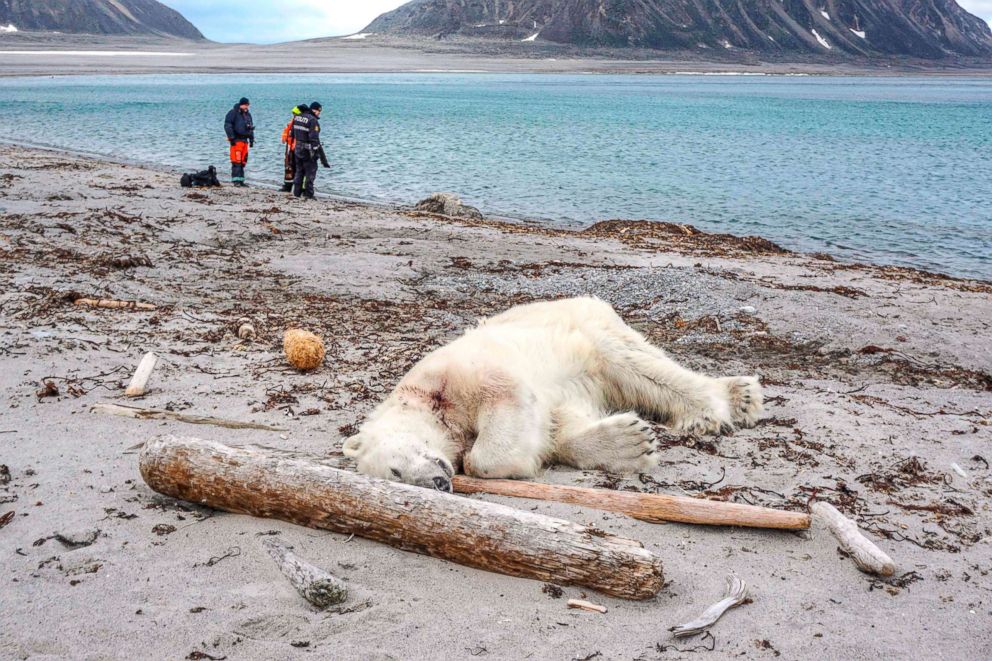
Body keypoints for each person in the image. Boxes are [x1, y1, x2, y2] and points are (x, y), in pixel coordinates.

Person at [292, 101, 330, 200]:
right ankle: (308, 194)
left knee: (299, 171)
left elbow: (293, 133)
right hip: (308, 150)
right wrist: (317, 152)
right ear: (313, 109)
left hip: (297, 148)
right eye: (318, 111)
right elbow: (314, 138)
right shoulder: (312, 120)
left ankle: (297, 192)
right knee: (310, 172)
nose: (319, 113)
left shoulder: (297, 117)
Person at [224, 97, 255, 187]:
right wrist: (231, 138)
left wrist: (252, 139)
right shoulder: (233, 113)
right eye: (246, 105)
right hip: (236, 140)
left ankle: (241, 180)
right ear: (242, 104)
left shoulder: (248, 114)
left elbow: (251, 127)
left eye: (248, 105)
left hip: (245, 141)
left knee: (243, 162)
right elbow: (227, 125)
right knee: (236, 161)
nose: (247, 107)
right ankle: (236, 181)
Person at [279, 103, 308, 192]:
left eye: (296, 114)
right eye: (294, 114)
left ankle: (301, 189)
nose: (294, 116)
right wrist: (284, 137)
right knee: (289, 168)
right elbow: (286, 131)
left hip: (299, 149)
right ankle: (287, 186)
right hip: (291, 148)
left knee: (300, 169)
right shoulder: (292, 122)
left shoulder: (304, 122)